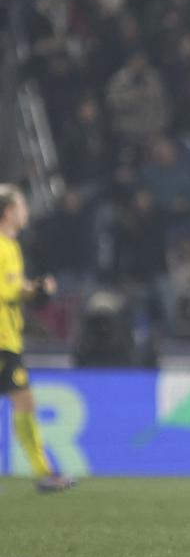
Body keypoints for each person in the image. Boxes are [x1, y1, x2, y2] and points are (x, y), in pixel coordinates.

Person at [0, 184, 76, 492]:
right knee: (24, 402)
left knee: (24, 402)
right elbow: (6, 289)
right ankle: (44, 473)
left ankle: (45, 473)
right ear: (8, 212)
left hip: (9, 339)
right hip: (1, 340)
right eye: (22, 207)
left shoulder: (11, 246)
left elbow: (13, 287)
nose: (26, 212)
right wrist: (34, 289)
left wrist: (35, 288)